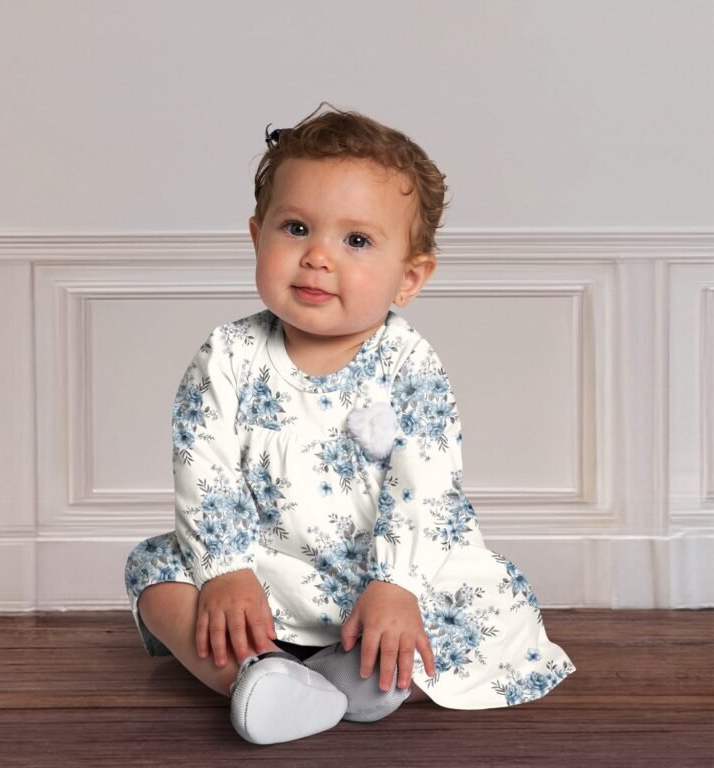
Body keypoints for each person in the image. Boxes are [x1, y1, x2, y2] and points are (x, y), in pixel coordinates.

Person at [124, 103, 576, 745]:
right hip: (260, 572)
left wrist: (397, 585)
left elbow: (425, 487)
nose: (317, 257)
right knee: (156, 573)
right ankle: (258, 673)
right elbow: (205, 469)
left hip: (377, 576)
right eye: (296, 228)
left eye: (356, 241)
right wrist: (225, 570)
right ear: (257, 238)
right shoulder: (227, 355)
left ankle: (362, 675)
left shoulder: (407, 363)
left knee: (490, 608)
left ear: (409, 277)